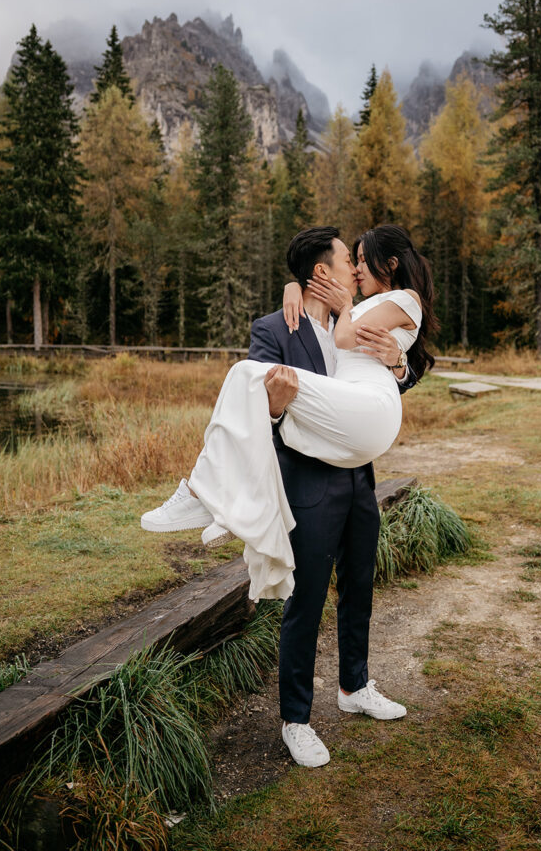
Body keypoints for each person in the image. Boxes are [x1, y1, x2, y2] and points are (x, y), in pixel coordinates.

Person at [141, 225, 436, 767]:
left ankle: (355, 687)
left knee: (360, 588)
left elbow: (410, 371)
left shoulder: (364, 315)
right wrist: (274, 407)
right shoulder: (275, 326)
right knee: (305, 602)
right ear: (321, 273)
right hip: (308, 482)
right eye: (348, 259)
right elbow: (266, 416)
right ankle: (296, 720)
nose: (356, 267)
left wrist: (397, 362)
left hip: (358, 478)